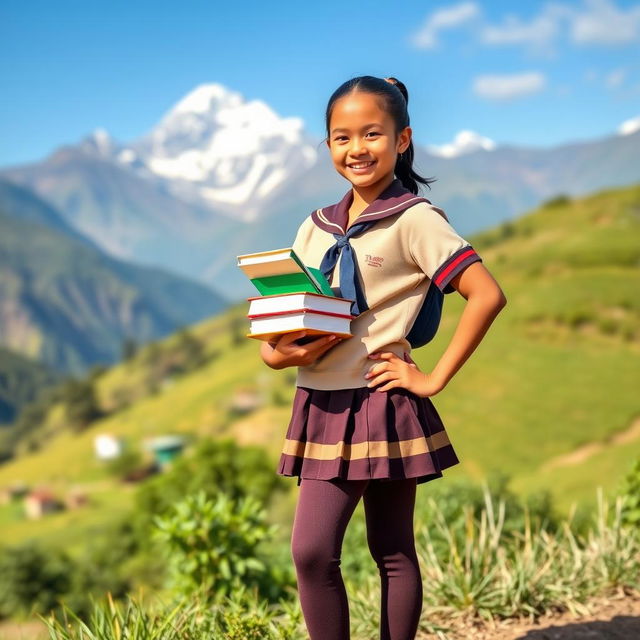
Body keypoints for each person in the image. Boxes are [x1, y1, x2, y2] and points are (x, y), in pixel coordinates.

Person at [259, 75, 507, 640]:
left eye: (372, 133)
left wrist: (433, 378)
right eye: (341, 138)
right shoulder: (315, 226)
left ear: (402, 139)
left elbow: (486, 293)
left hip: (382, 401)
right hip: (319, 402)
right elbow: (285, 329)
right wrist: (281, 353)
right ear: (327, 147)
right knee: (312, 554)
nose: (356, 149)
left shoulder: (416, 219)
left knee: (390, 550)